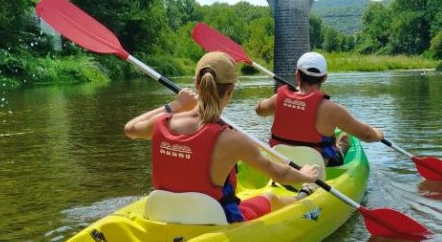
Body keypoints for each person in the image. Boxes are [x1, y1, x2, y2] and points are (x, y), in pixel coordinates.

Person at [124, 51, 319, 223]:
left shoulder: (162, 123)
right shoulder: (233, 139)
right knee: (270, 198)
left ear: (196, 84)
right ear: (231, 91)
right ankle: (302, 198)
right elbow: (279, 174)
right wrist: (306, 174)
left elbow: (130, 129)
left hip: (163, 213)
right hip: (215, 219)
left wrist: (174, 105)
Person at [255, 51, 384, 167]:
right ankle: (341, 145)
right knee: (345, 136)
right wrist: (378, 134)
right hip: (318, 170)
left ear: (297, 75)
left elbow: (259, 110)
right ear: (324, 78)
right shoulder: (332, 110)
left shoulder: (278, 99)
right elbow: (367, 134)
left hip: (281, 165)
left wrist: (269, 101)